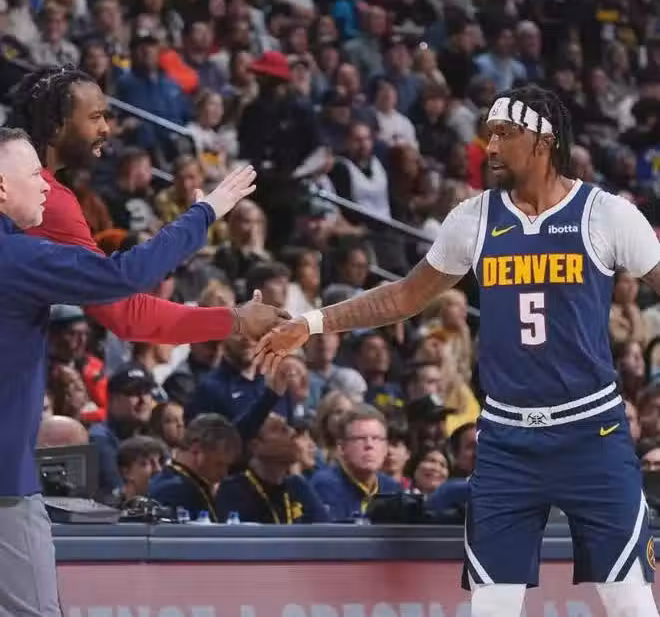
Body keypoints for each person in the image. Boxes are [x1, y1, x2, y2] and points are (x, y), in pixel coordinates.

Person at [255, 85, 660, 617]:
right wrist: (311, 323)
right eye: (488, 134)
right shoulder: (473, 218)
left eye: (504, 135)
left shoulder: (606, 214)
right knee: (491, 607)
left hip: (592, 432)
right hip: (507, 438)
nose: (490, 147)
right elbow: (404, 296)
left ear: (543, 142)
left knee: (630, 602)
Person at [0, 128, 257, 617]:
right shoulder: (16, 257)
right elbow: (124, 281)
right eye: (34, 175)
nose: (45, 186)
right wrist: (206, 211)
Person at [7, 65, 285, 344]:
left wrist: (234, 320)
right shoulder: (46, 199)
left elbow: (123, 308)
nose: (106, 128)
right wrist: (204, 214)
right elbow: (122, 300)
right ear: (56, 125)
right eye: (95, 117)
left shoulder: (29, 188)